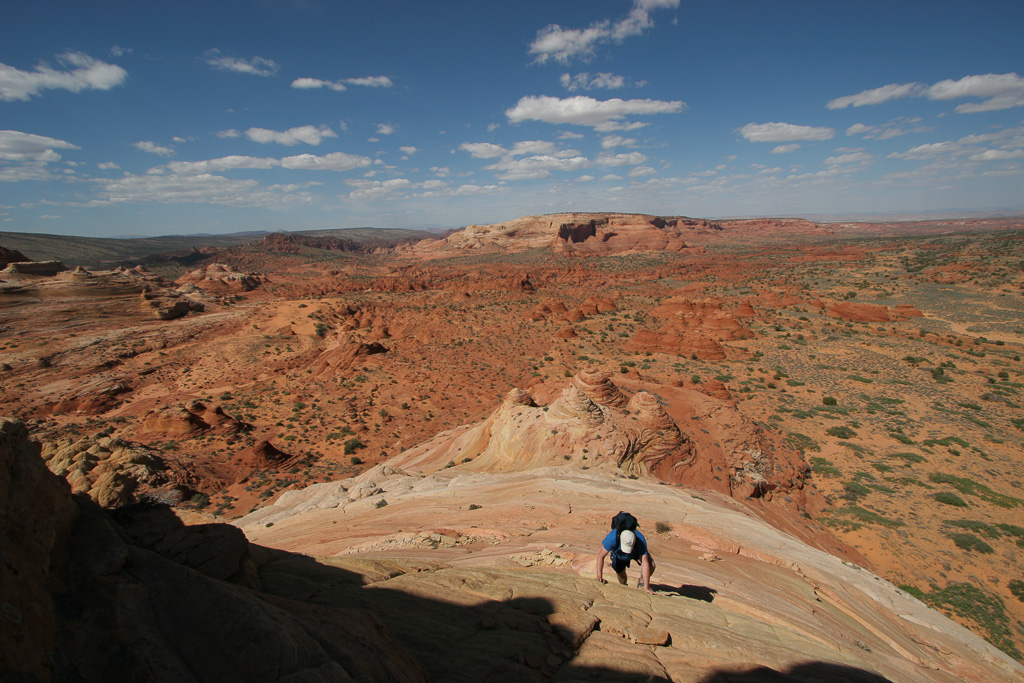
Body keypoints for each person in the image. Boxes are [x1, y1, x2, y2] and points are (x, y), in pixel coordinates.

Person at [596, 526, 656, 595]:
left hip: (635, 552)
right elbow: (601, 556)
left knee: (651, 564)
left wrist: (646, 588)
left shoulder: (640, 540)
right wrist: (599, 576)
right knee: (621, 575)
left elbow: (645, 563)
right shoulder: (612, 538)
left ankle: (642, 583)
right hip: (618, 555)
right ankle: (624, 586)